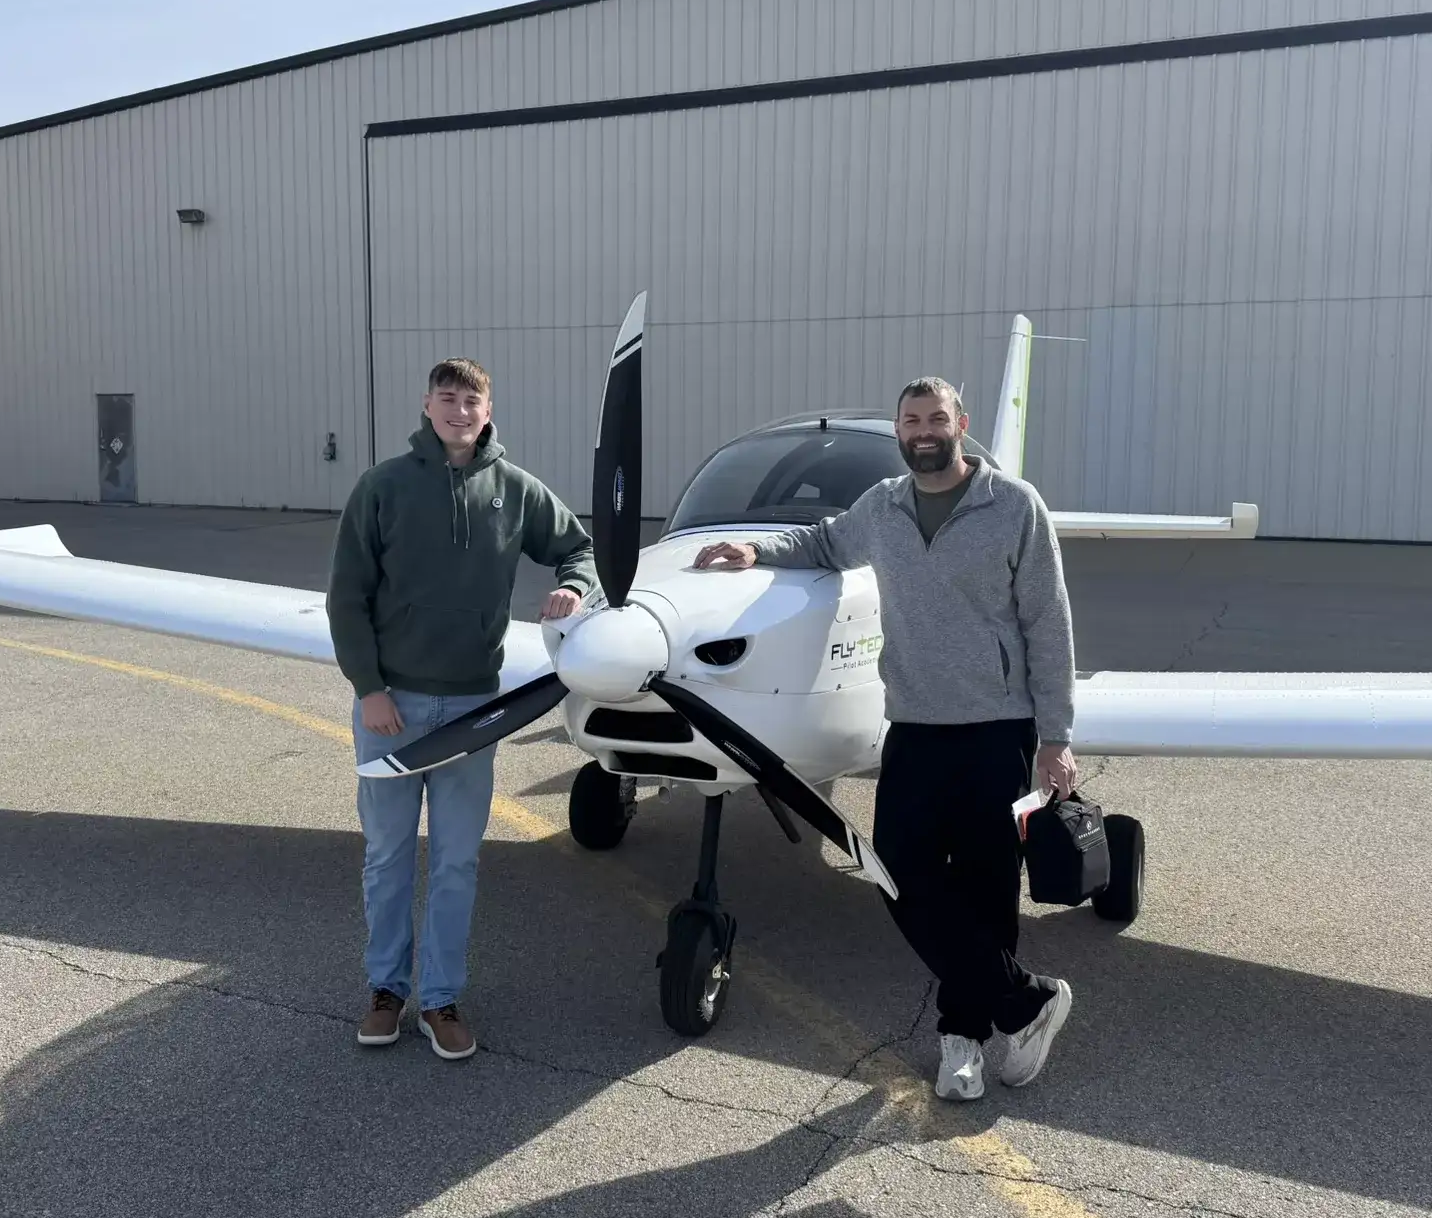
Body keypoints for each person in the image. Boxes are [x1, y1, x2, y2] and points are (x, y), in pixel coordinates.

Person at [693, 378, 1079, 1100]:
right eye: (912, 420)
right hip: (915, 725)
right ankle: (1025, 1000)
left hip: (997, 728)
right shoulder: (884, 506)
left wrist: (1056, 737)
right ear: (900, 431)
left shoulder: (1015, 507)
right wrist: (753, 552)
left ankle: (961, 1042)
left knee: (989, 889)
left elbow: (1048, 625)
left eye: (937, 418)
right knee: (895, 869)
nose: (924, 430)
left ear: (959, 425)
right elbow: (822, 543)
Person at [327, 358, 597, 1062]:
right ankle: (386, 990)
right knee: (387, 856)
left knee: (455, 862)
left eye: (469, 398)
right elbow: (346, 597)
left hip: (474, 706)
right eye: (446, 398)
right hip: (393, 706)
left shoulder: (515, 490)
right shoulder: (382, 488)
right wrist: (370, 687)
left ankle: (441, 999)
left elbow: (578, 549)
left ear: (487, 408)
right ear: (426, 406)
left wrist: (573, 587)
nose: (458, 409)